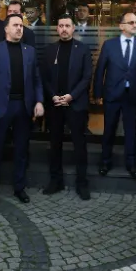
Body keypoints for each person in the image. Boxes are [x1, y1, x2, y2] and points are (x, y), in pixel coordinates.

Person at [0, 13, 44, 207]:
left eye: (21, 26)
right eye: (15, 25)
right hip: (0, 108)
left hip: (24, 107)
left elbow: (36, 80)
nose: (19, 28)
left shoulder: (30, 51)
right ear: (6, 28)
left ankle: (19, 188)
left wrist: (40, 101)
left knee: (21, 150)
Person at [40, 13, 93, 199]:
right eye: (61, 25)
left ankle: (82, 183)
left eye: (67, 26)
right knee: (55, 145)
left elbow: (87, 77)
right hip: (54, 105)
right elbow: (44, 77)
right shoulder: (49, 50)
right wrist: (54, 96)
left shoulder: (83, 49)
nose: (64, 29)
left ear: (73, 28)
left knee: (80, 145)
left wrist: (70, 96)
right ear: (57, 29)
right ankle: (56, 181)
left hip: (75, 104)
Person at [94, 10, 136, 177]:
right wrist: (97, 94)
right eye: (131, 22)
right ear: (121, 26)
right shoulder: (109, 45)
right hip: (112, 95)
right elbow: (100, 70)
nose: (135, 25)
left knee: (131, 132)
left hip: (132, 96)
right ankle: (105, 162)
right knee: (109, 130)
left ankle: (132, 164)